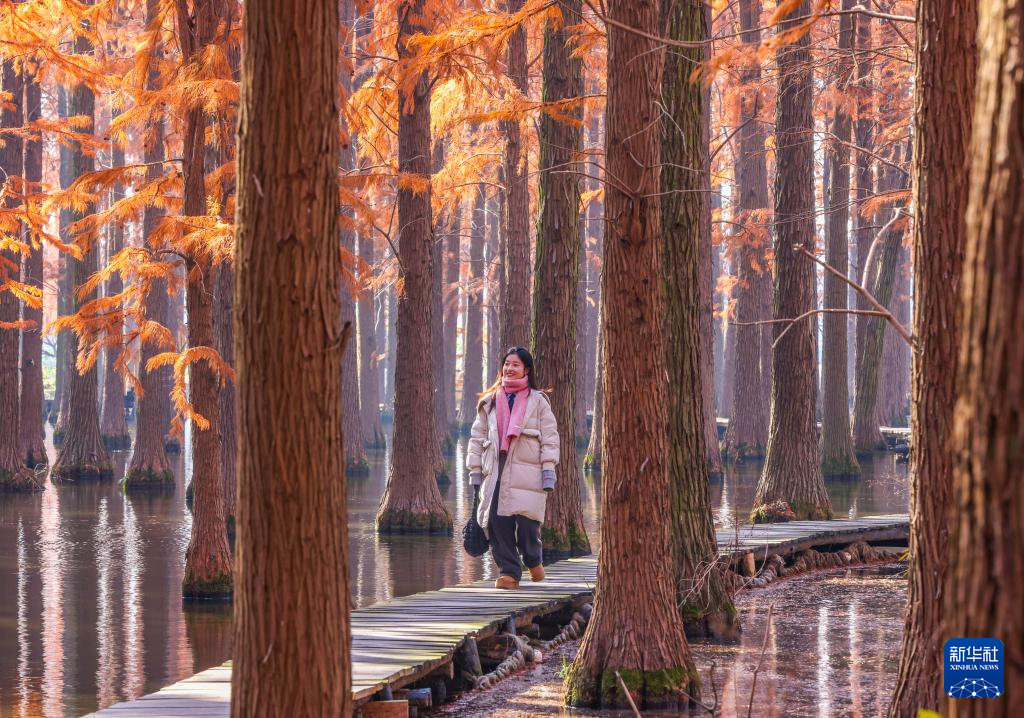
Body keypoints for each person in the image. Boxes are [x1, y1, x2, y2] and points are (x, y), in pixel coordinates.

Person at [466, 346, 560, 590]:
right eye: (507, 363)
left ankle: (533, 559)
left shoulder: (538, 401)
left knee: (528, 522)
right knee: (496, 523)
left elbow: (550, 437)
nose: (509, 368)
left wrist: (548, 468)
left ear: (526, 369)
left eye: (515, 364)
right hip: (494, 470)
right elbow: (477, 438)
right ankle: (509, 572)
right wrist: (474, 469)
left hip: (528, 470)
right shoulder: (489, 401)